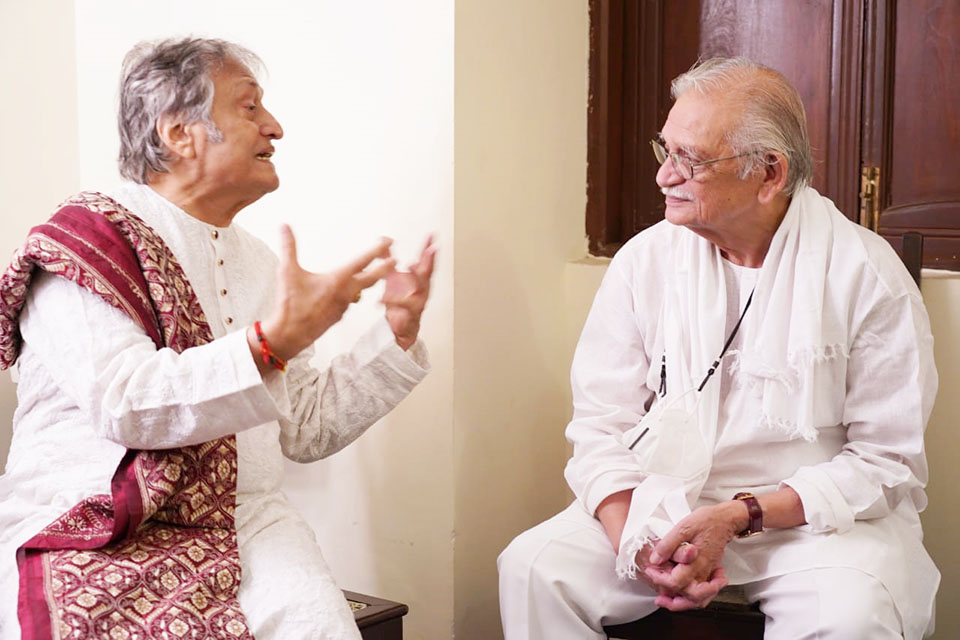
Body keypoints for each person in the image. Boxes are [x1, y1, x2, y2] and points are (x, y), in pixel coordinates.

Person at [0, 37, 436, 639]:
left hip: (245, 523)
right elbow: (127, 404)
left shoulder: (257, 262)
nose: (275, 127)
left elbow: (304, 427)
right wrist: (269, 343)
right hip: (93, 522)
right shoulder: (82, 244)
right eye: (250, 107)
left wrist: (396, 335)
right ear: (180, 132)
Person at [498, 57, 939, 640]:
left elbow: (888, 463)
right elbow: (600, 428)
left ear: (770, 173)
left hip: (814, 525)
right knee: (535, 567)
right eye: (666, 152)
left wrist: (738, 516)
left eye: (691, 160)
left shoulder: (865, 274)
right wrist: (641, 544)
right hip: (660, 510)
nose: (663, 177)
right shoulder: (644, 261)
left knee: (852, 615)